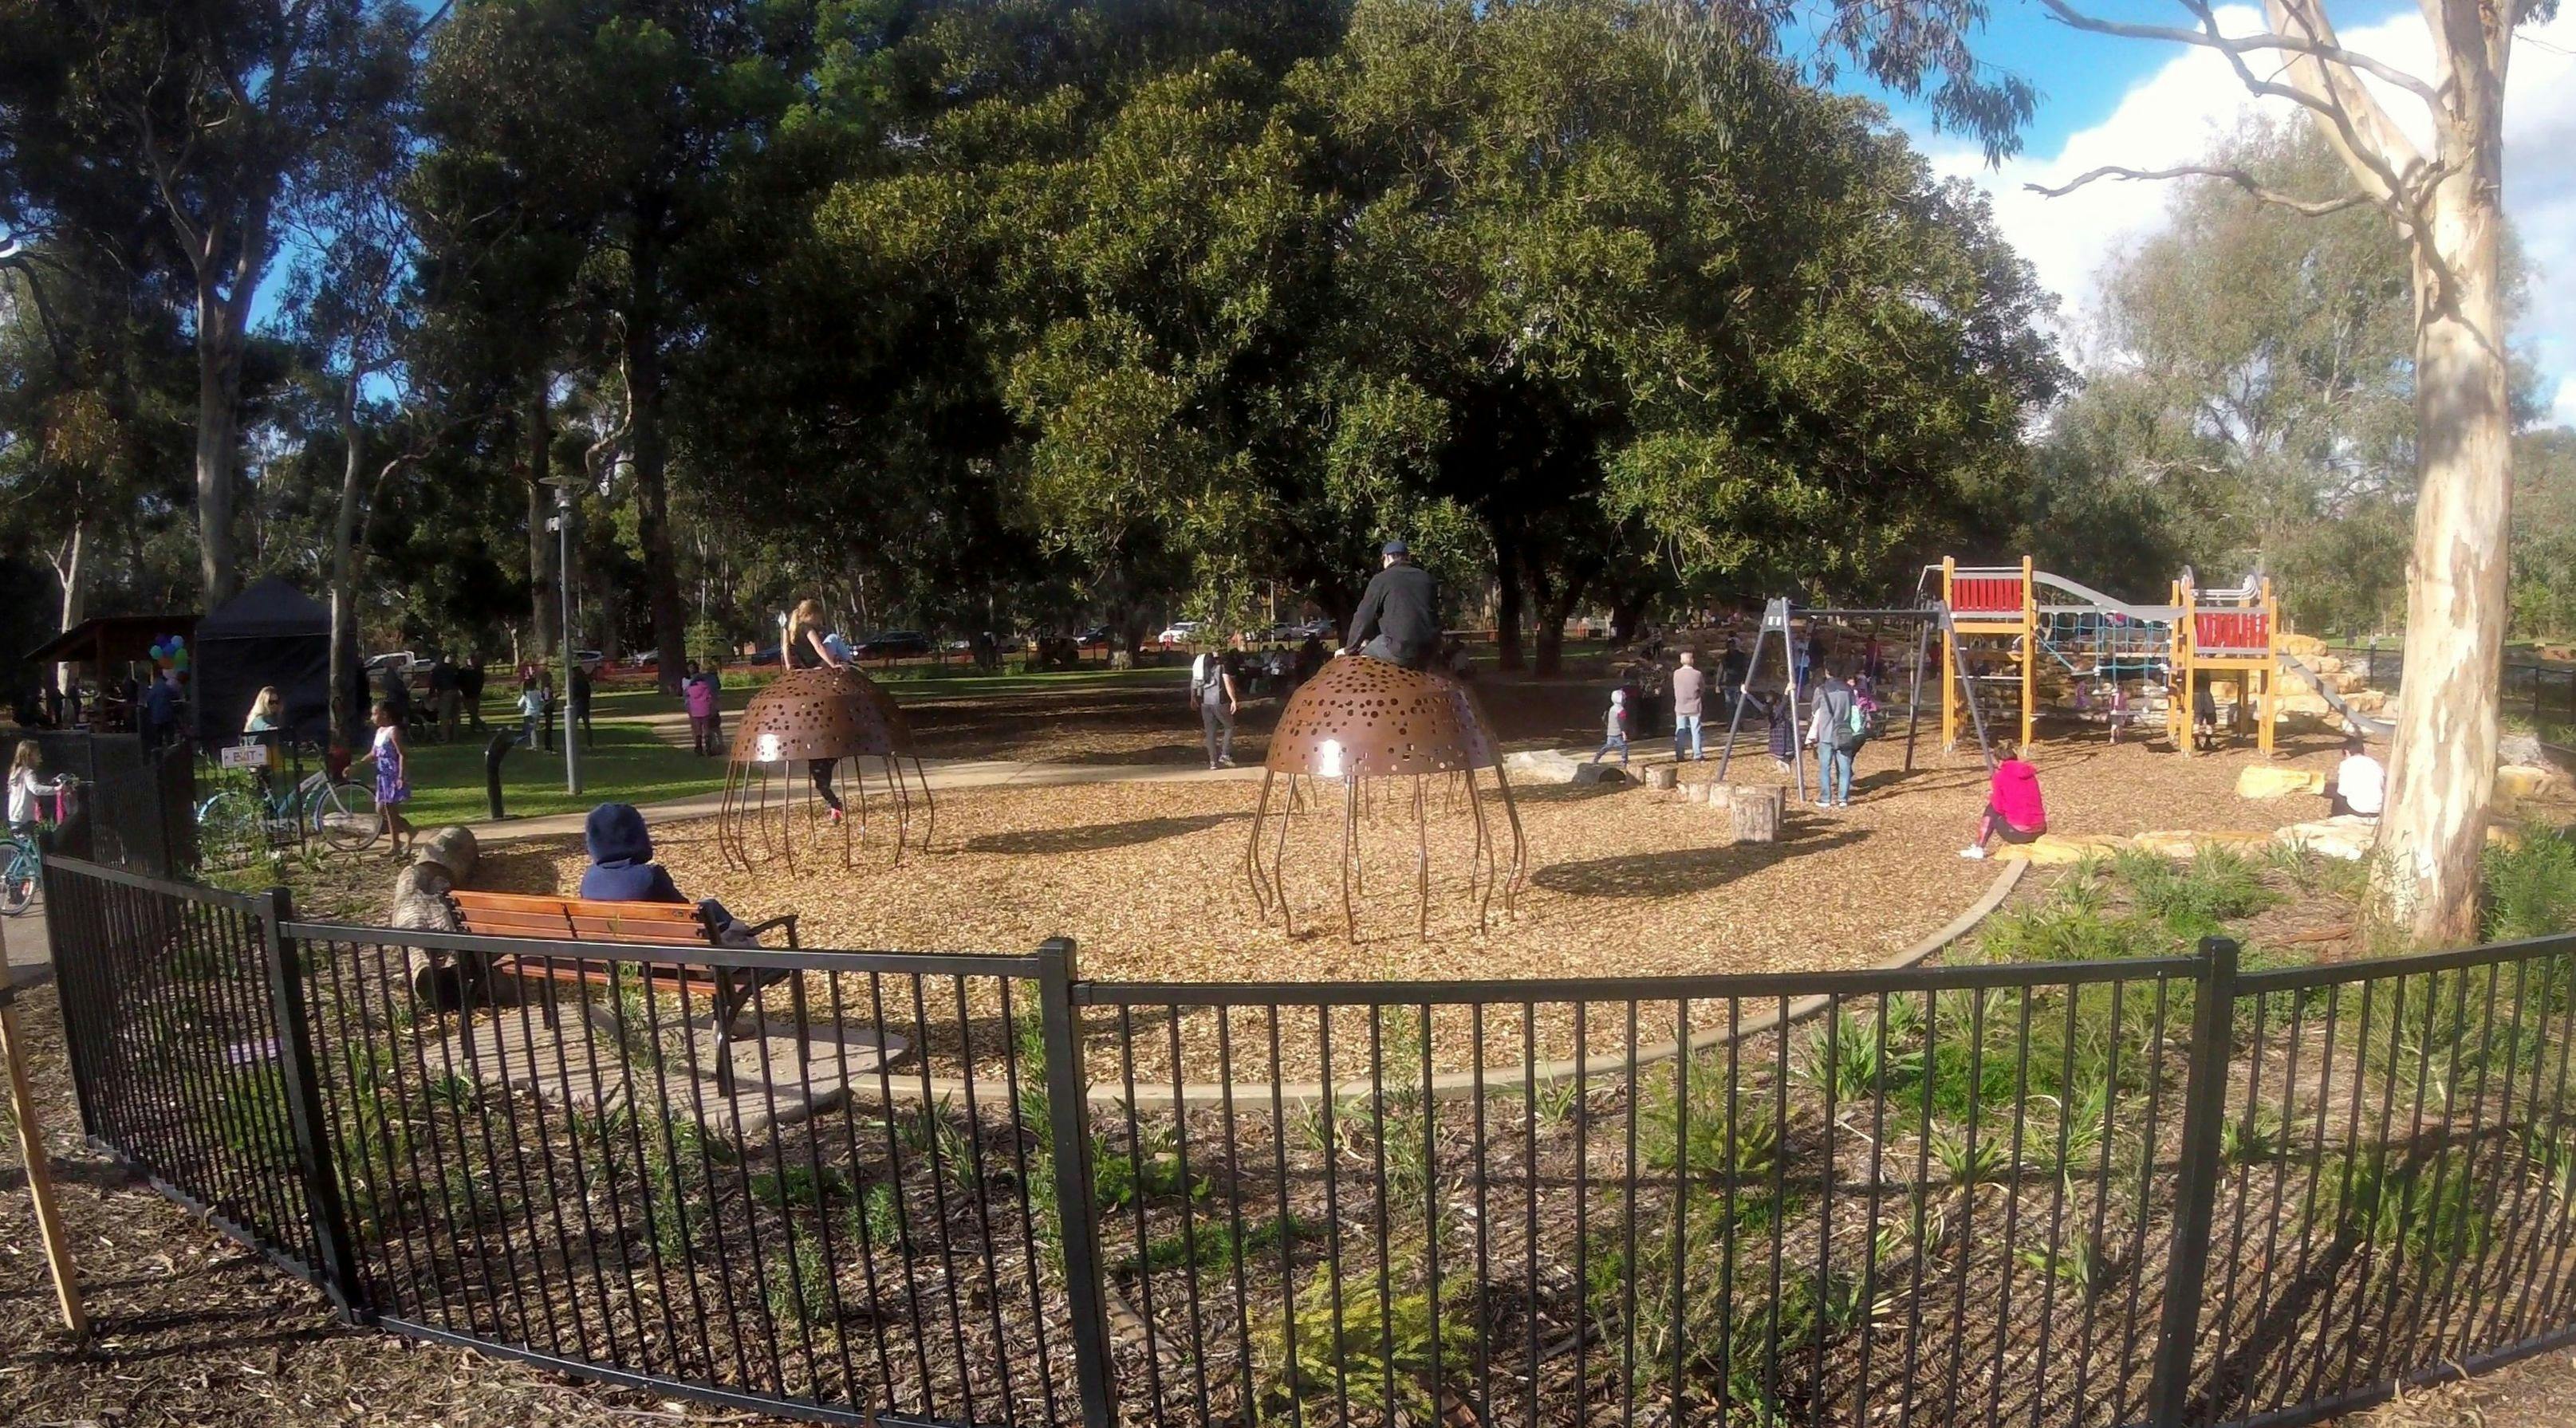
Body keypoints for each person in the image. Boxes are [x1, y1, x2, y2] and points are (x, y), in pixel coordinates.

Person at [580, 801, 755, 944]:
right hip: (680, 963)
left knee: (710, 907)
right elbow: (687, 917)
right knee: (723, 918)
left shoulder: (589, 880)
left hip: (624, 963)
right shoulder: (650, 876)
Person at [782, 599, 848, 820]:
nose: (820, 622)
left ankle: (834, 806)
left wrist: (790, 668)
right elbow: (819, 647)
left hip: (805, 671)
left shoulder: (789, 628)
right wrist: (833, 665)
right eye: (819, 617)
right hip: (817, 667)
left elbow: (784, 648)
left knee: (821, 777)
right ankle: (851, 662)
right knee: (834, 639)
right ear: (812, 614)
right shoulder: (807, 628)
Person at [1343, 540, 1441, 670]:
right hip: (1430, 651)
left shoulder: (1382, 579)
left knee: (1363, 654)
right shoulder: (1427, 578)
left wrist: (1349, 650)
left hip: (1400, 650)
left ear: (1387, 557)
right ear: (1408, 557)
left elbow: (1364, 616)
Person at [356, 701, 413, 858]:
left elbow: (402, 754)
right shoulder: (379, 732)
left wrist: (401, 775)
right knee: (381, 809)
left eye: (375, 714)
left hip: (392, 774)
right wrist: (357, 765)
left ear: (385, 715)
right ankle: (409, 831)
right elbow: (374, 753)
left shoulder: (393, 731)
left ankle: (395, 845)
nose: (372, 717)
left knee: (389, 809)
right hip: (382, 775)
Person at [1961, 757, 2047, 859]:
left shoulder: (2000, 776)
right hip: (2040, 831)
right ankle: (1978, 848)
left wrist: (1992, 796)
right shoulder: (2030, 775)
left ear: (2001, 762)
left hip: (2018, 834)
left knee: (1992, 807)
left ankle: (1979, 847)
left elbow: (1998, 807)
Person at [1806, 664, 1861, 809]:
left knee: (1825, 767)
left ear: (1827, 673)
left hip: (1826, 733)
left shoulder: (1821, 690)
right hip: (1844, 732)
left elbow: (1814, 708)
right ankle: (1843, 799)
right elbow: (1854, 708)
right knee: (1844, 767)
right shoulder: (1848, 690)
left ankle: (1826, 798)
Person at [8, 741, 70, 843]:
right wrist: (57, 789)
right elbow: (36, 789)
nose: (40, 756)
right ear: (30, 754)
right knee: (31, 850)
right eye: (37, 753)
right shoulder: (28, 772)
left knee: (23, 850)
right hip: (25, 817)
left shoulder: (16, 771)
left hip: (15, 816)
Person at [1191, 641, 1240, 769]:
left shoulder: (1202, 668)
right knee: (1229, 726)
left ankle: (1213, 762)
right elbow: (1228, 682)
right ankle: (1225, 754)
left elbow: (1194, 681)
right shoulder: (1221, 667)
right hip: (1220, 701)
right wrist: (1234, 699)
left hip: (1205, 702)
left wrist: (1193, 698)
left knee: (1210, 732)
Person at [2328, 731, 2385, 820]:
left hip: (2359, 809)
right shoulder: (2375, 763)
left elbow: (2342, 791)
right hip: (2378, 808)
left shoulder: (2346, 764)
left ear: (2347, 752)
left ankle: (2336, 818)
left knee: (2338, 794)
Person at [1670, 651, 1707, 761]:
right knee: (1695, 731)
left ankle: (1680, 754)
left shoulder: (1676, 673)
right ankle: (1697, 754)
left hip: (1680, 705)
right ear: (1692, 660)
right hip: (1694, 705)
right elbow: (1702, 688)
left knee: (1680, 730)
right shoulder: (1697, 674)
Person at [684, 661, 719, 756]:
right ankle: (708, 748)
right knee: (707, 728)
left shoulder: (690, 689)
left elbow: (686, 695)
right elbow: (710, 697)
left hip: (695, 710)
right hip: (705, 709)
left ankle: (699, 748)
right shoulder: (706, 687)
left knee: (697, 729)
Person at [1590, 689, 1632, 765]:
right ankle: (1624, 761)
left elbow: (1606, 719)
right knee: (1623, 746)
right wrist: (1624, 733)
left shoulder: (1612, 708)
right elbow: (1621, 723)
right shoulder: (1621, 710)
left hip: (1610, 732)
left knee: (1608, 746)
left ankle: (1597, 756)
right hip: (1618, 732)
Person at [429, 655, 461, 742]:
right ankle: (456, 736)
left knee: (445, 716)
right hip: (456, 691)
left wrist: (431, 694)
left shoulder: (437, 670)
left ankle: (445, 737)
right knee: (455, 715)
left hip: (445, 692)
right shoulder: (452, 668)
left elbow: (433, 683)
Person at [459, 655, 487, 733]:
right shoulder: (463, 671)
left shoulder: (478, 671)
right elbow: (460, 682)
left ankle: (473, 728)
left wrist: (478, 691)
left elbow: (481, 682)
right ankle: (481, 724)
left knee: (474, 711)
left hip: (475, 694)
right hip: (466, 694)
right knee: (471, 711)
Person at [569, 663, 594, 749]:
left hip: (577, 704)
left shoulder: (574, 682)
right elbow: (588, 693)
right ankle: (589, 744)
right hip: (585, 704)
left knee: (572, 724)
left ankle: (572, 742)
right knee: (587, 724)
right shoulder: (585, 681)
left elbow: (573, 694)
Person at [517, 679, 546, 746]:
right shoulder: (538, 692)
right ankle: (533, 744)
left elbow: (519, 704)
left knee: (529, 729)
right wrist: (540, 707)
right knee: (533, 729)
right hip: (536, 713)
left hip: (528, 713)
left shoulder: (526, 693)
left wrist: (524, 708)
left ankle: (532, 744)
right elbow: (542, 701)